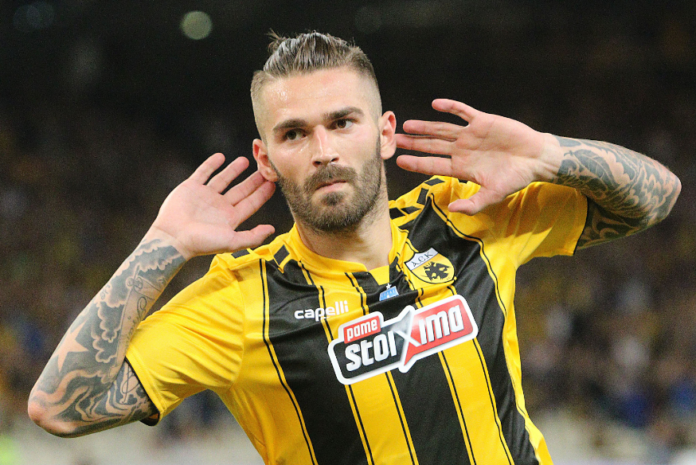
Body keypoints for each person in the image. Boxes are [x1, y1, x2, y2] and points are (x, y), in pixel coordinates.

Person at [28, 32, 681, 464]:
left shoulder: (466, 216)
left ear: (384, 133)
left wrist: (551, 154)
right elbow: (59, 407)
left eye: (342, 122)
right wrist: (162, 245)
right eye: (294, 133)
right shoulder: (241, 299)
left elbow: (656, 196)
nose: (324, 151)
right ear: (265, 157)